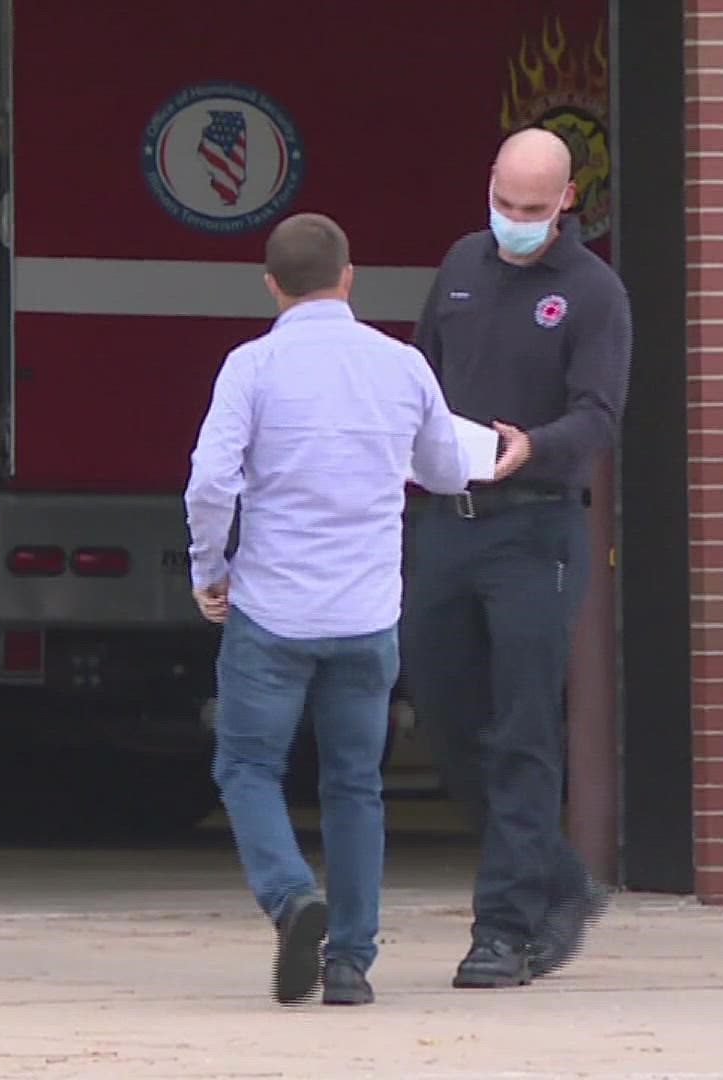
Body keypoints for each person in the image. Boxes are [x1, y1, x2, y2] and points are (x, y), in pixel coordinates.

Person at [184, 212, 472, 1007]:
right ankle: (349, 963)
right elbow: (447, 471)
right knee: (355, 784)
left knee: (246, 766)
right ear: (350, 278)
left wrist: (211, 568)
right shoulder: (402, 365)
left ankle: (290, 898)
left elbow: (211, 482)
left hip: (271, 611)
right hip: (367, 614)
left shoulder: (253, 366)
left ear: (271, 285)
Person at [404, 127, 633, 989]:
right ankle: (558, 880)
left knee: (524, 725)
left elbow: (600, 416)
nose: (515, 222)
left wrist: (531, 447)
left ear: (566, 201)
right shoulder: (462, 263)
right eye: (504, 203)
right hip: (449, 522)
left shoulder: (592, 292)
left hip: (536, 526)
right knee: (444, 710)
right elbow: (421, 376)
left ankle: (502, 929)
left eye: (533, 209)